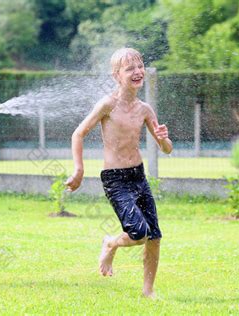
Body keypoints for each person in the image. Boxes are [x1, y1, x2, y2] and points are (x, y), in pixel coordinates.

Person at [65, 47, 172, 298]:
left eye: (139, 66)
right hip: (116, 179)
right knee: (139, 233)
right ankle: (111, 243)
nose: (137, 71)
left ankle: (148, 291)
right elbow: (78, 133)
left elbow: (166, 149)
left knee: (154, 235)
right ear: (116, 75)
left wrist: (164, 139)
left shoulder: (145, 109)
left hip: (138, 175)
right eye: (129, 68)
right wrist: (79, 169)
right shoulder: (107, 105)